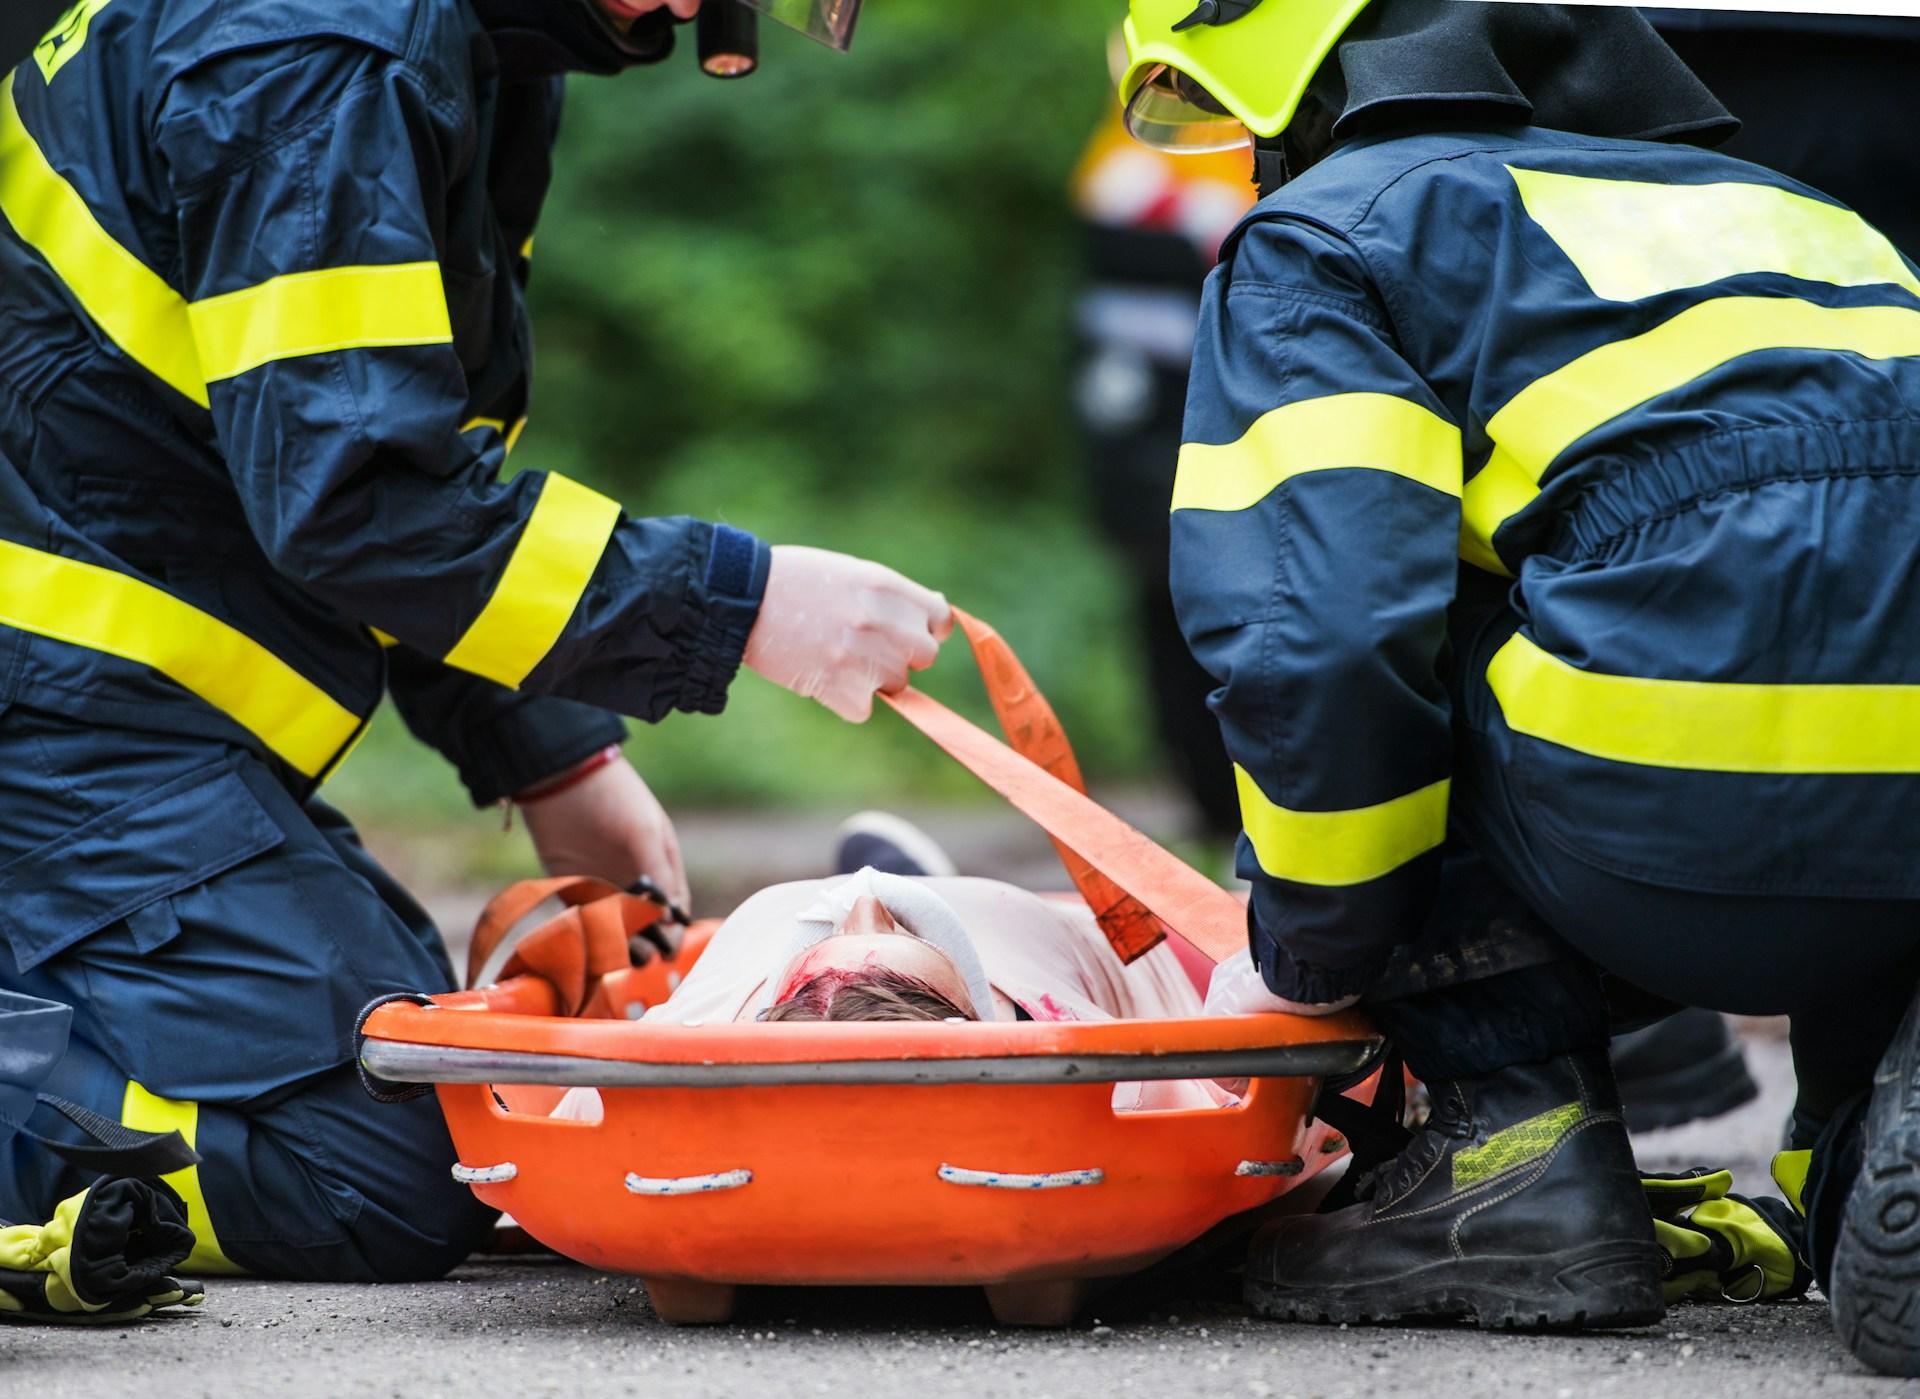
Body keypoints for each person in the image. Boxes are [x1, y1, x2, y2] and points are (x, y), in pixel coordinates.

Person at [0, 0, 947, 1284]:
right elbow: (363, 501)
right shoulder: (322, 49)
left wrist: (548, 750)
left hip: (115, 727)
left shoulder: (469, 51)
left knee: (447, 1079)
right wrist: (742, 609)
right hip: (57, 729)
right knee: (372, 1171)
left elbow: (411, 447)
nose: (686, 11)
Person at [1120, 0, 1920, 1373]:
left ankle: (1514, 1154)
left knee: (1397, 661)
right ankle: (1864, 1138)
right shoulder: (1811, 214)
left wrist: (1321, 951)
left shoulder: (1331, 231)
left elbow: (1320, 638)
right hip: (1903, 850)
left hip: (1653, 816)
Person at [550, 815, 1227, 1124]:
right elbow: (1233, 1100)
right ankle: (931, 886)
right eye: (911, 932)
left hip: (768, 952)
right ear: (980, 1011)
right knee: (1230, 950)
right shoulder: (1095, 1055)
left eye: (844, 929)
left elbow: (574, 1107)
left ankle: (925, 883)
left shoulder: (698, 1022)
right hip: (1061, 938)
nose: (863, 897)